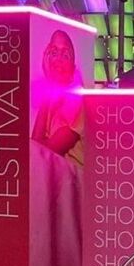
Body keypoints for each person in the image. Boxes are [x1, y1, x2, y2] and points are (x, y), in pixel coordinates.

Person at [31, 30, 84, 167]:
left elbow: (41, 153)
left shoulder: (78, 100)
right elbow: (35, 147)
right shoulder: (52, 99)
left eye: (65, 55)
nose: (59, 59)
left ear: (73, 67)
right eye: (54, 53)